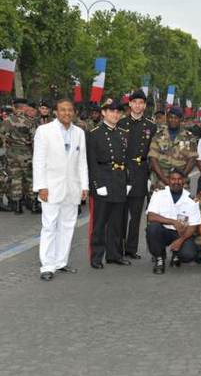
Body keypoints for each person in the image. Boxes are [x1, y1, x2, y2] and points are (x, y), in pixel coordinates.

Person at [32, 99, 88, 281]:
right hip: (51, 188)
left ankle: (61, 262)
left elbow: (82, 162)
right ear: (56, 112)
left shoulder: (79, 132)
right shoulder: (44, 131)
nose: (66, 113)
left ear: (74, 112)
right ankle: (47, 266)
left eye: (70, 110)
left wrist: (84, 186)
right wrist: (41, 186)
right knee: (49, 226)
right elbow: (38, 161)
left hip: (72, 188)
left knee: (67, 226)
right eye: (63, 110)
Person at [86, 99, 129, 269]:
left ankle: (114, 255)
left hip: (118, 181)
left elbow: (126, 160)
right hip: (103, 181)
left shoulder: (122, 133)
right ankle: (96, 257)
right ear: (103, 113)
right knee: (100, 223)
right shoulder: (94, 133)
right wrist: (97, 184)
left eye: (118, 112)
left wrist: (128, 181)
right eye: (111, 111)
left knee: (116, 223)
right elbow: (92, 162)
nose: (115, 114)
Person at [117, 89, 157, 260]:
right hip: (122, 170)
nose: (138, 105)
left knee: (135, 215)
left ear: (145, 106)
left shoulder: (151, 125)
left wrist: (150, 176)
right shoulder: (121, 123)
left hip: (140, 171)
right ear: (130, 104)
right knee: (120, 213)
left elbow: (153, 152)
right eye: (135, 102)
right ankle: (118, 247)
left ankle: (131, 249)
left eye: (141, 103)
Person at [146, 168, 201, 274]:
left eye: (179, 179)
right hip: (163, 231)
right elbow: (151, 216)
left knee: (189, 255)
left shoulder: (191, 199)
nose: (176, 182)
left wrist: (180, 241)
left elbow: (193, 225)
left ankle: (176, 254)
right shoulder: (159, 194)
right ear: (168, 180)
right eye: (173, 179)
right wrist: (173, 222)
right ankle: (159, 258)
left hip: (180, 233)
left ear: (184, 181)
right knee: (152, 228)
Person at [148, 107, 198, 192]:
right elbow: (153, 159)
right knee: (158, 205)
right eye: (171, 117)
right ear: (167, 118)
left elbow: (192, 160)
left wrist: (179, 178)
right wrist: (165, 180)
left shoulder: (189, 137)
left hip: (181, 182)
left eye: (176, 118)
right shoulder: (158, 135)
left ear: (180, 119)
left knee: (181, 205)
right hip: (160, 180)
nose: (173, 120)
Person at [0, 98, 36, 214]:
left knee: (16, 179)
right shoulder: (29, 121)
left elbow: (2, 135)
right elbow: (35, 138)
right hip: (26, 153)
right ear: (23, 107)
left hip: (11, 154)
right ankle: (33, 205)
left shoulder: (7, 121)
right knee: (30, 179)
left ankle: (17, 206)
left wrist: (8, 140)